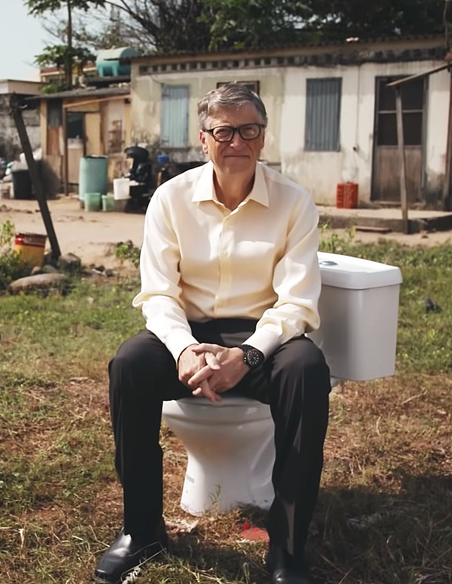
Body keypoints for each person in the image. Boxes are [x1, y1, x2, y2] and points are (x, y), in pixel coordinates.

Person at [94, 82, 331, 584]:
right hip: (189, 333)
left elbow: (296, 302)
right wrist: (184, 350)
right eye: (224, 132)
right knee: (130, 364)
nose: (237, 141)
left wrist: (247, 355)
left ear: (263, 137)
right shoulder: (170, 199)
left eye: (249, 130)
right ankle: (141, 531)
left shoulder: (294, 202)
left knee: (307, 370)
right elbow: (158, 294)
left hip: (261, 338)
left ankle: (287, 547)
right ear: (204, 140)